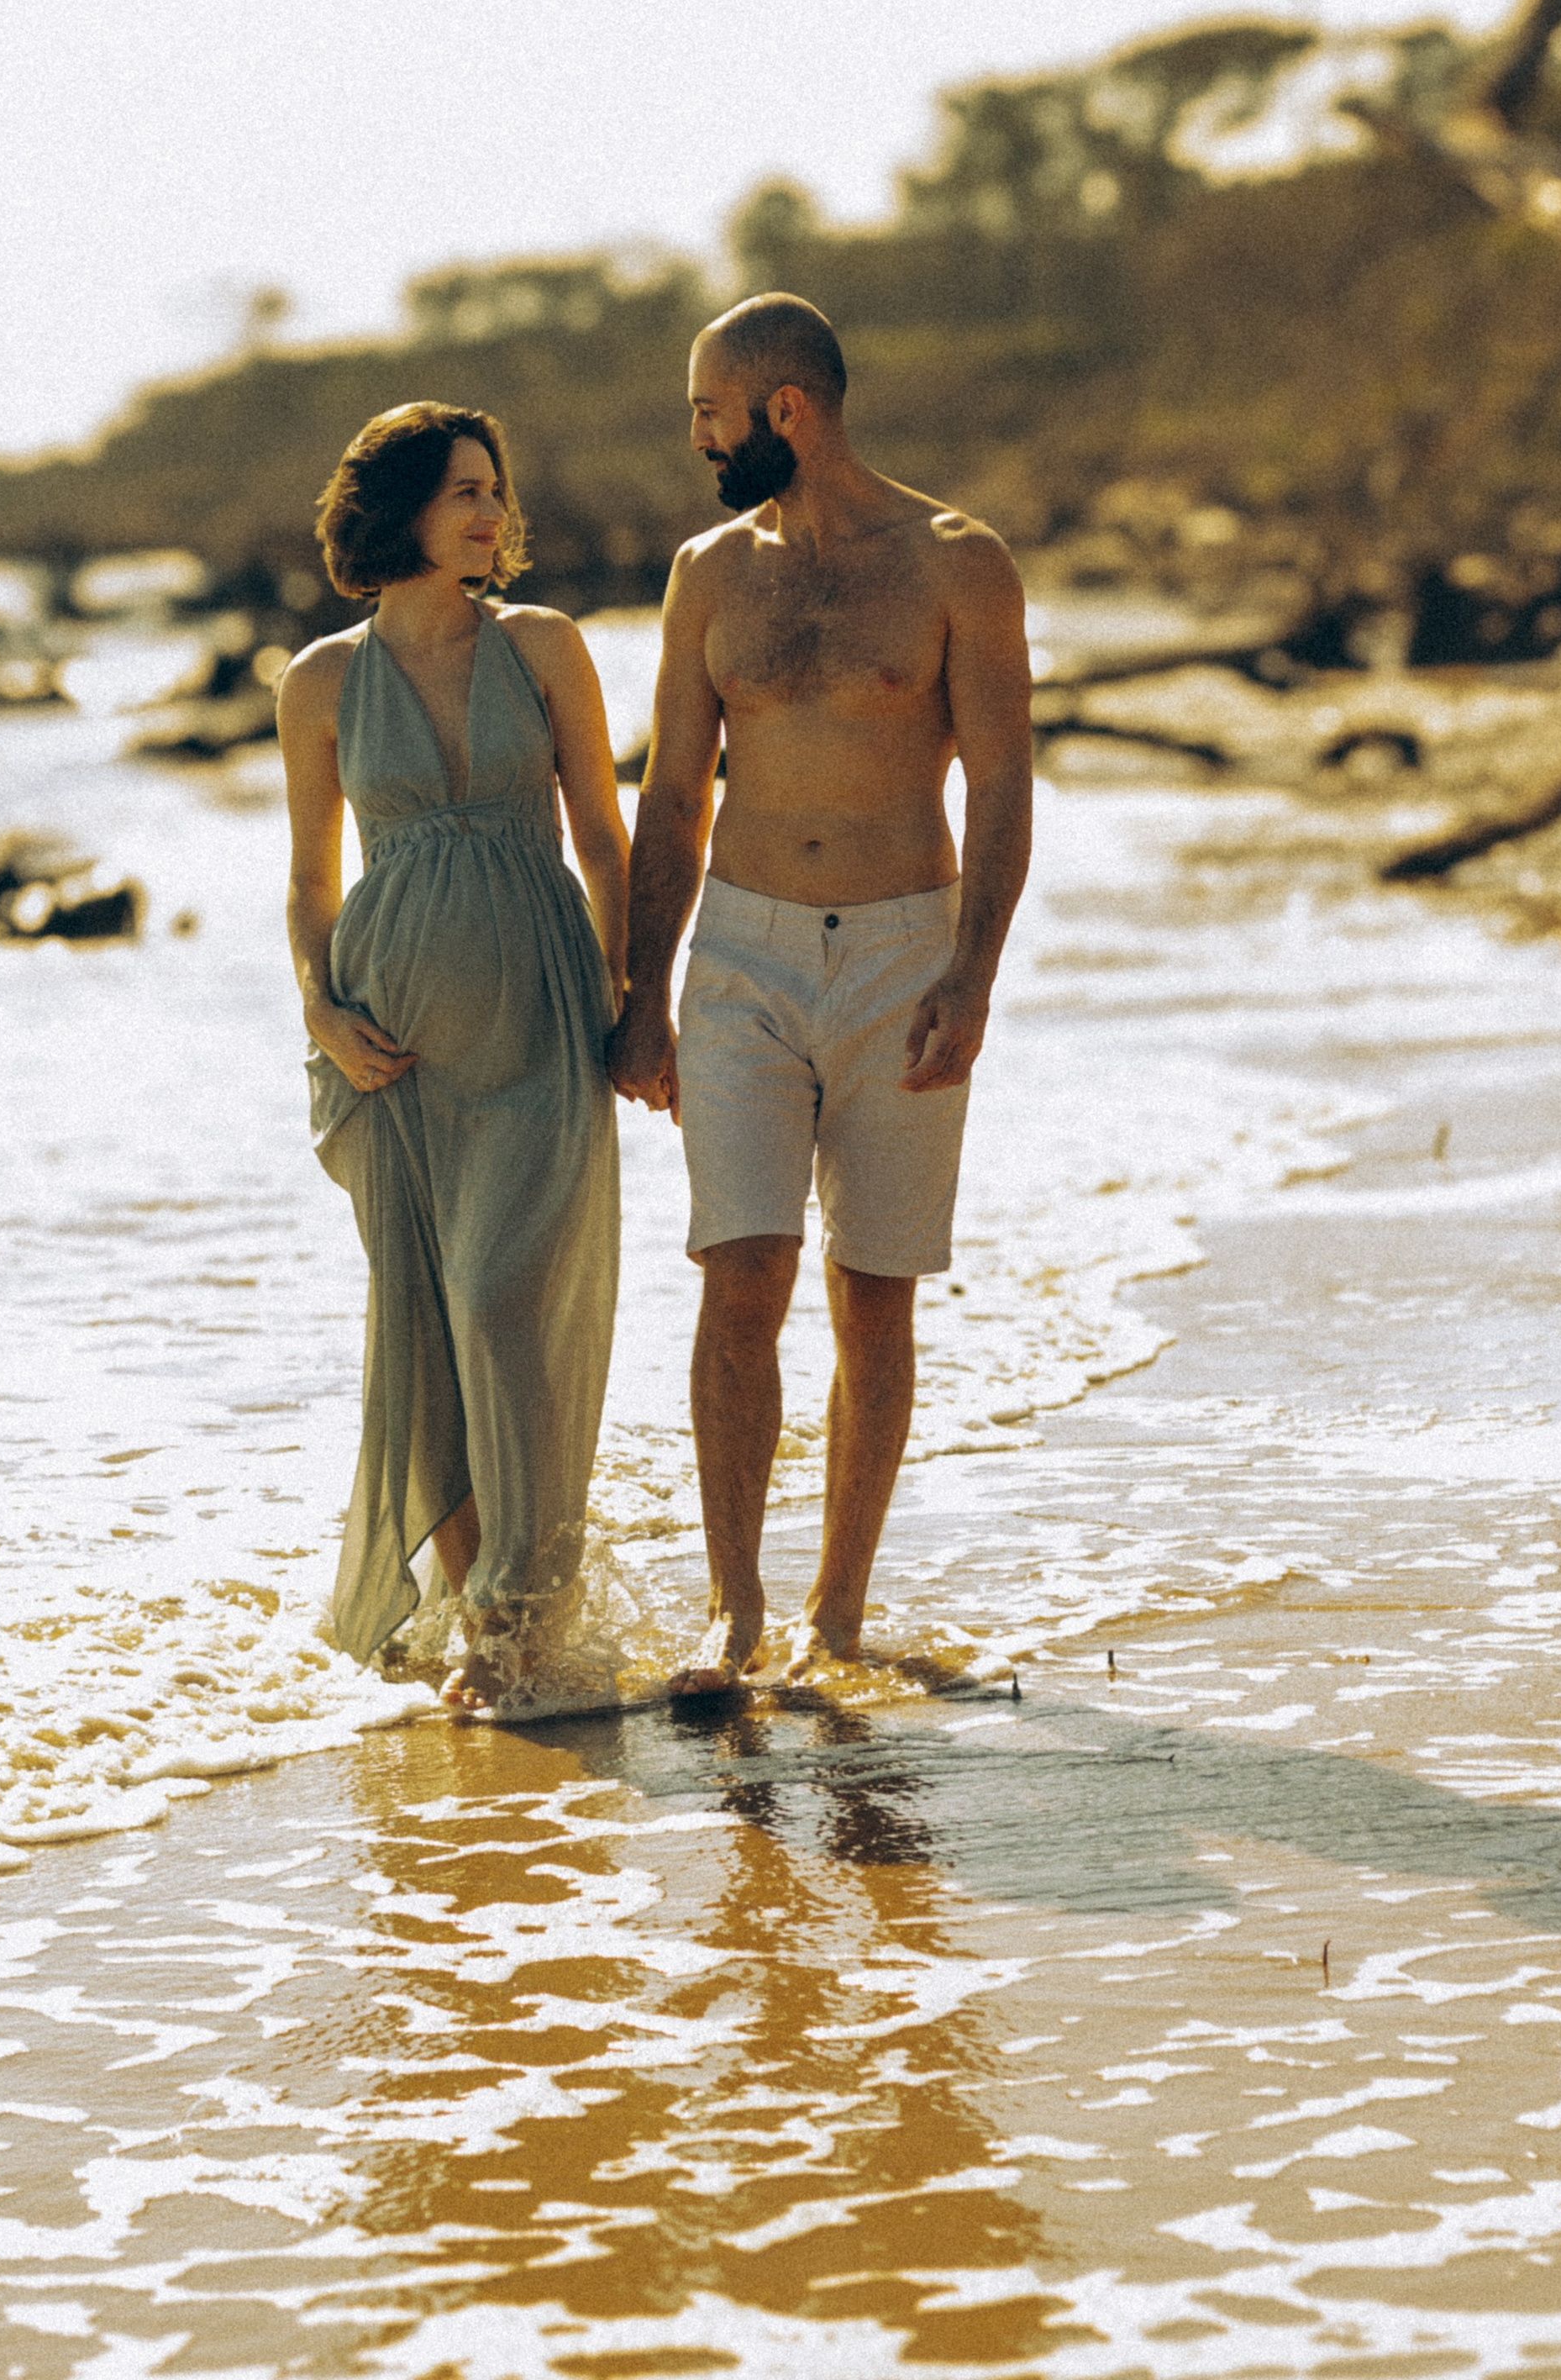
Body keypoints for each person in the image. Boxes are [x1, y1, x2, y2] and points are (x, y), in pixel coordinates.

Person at [608, 294, 1033, 1692]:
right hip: (742, 954)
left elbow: (1004, 787)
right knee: (743, 1270)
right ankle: (736, 1618)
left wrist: (971, 973)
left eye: (708, 415)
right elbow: (670, 797)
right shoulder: (708, 575)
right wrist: (644, 992)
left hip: (906, 949)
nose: (698, 441)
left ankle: (834, 1616)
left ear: (785, 408)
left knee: (873, 1294)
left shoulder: (959, 565)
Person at [280, 403, 628, 1714]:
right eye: (465, 491)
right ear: (401, 510)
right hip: (394, 1051)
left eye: (497, 490)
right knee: (429, 1334)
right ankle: (497, 1635)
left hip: (541, 1024)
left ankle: (531, 1615)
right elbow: (313, 879)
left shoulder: (542, 649)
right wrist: (320, 1008)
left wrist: (626, 989)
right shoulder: (319, 681)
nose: (492, 513)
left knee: (500, 1306)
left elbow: (603, 834)